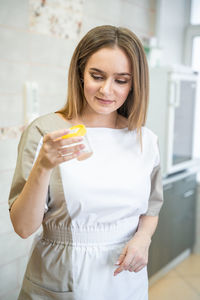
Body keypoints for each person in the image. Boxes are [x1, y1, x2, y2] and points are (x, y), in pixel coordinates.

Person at [8, 25, 163, 299]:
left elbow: (151, 206)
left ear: (135, 83)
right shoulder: (46, 132)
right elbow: (22, 228)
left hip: (125, 279)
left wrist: (143, 238)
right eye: (97, 76)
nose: (106, 90)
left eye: (121, 80)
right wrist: (44, 165)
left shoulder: (145, 139)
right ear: (80, 73)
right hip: (61, 275)